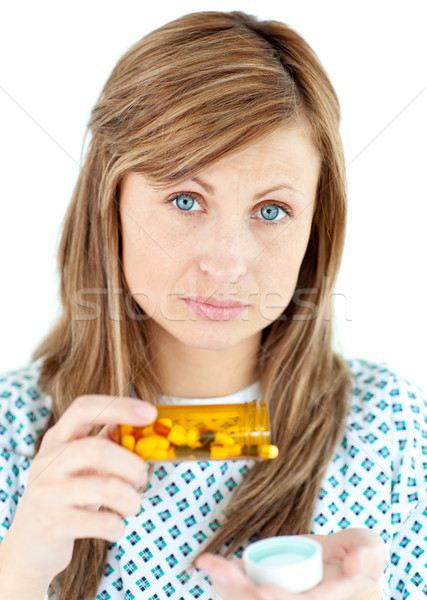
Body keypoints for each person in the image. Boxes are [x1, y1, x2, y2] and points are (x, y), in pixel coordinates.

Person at [0, 9, 425, 600]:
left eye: (271, 211)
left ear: (315, 229)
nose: (226, 263)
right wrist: (16, 576)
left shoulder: (394, 434)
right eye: (184, 199)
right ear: (110, 203)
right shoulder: (11, 432)